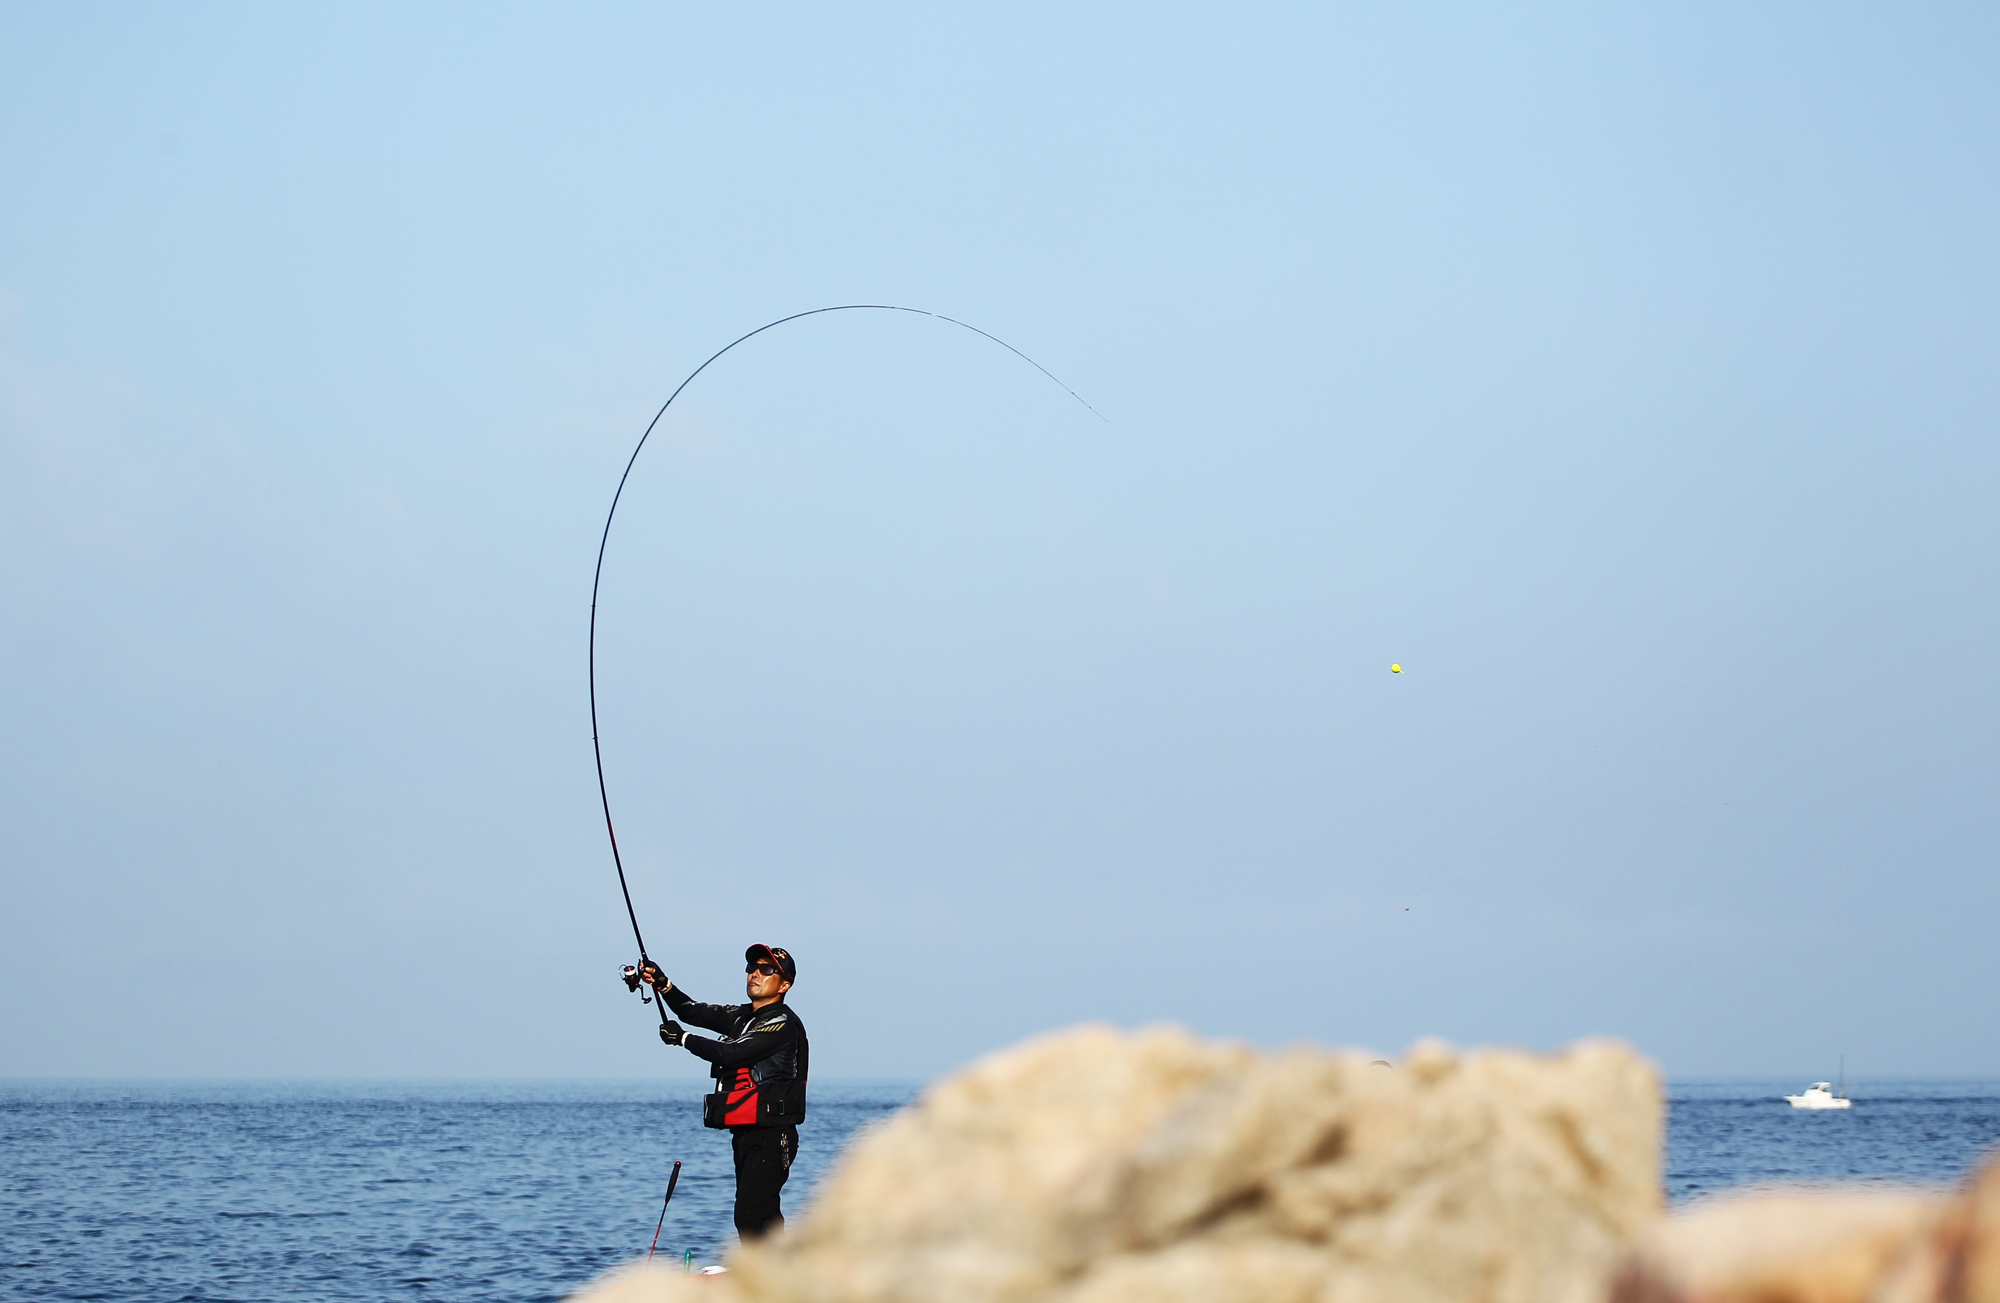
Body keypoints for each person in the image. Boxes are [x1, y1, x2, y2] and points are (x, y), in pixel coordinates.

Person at [637, 945, 808, 1239]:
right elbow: (691, 1010)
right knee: (758, 1213)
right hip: (745, 1132)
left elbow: (731, 1054)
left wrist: (684, 1039)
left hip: (772, 1134)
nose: (755, 973)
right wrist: (663, 983)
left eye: (767, 970)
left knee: (751, 1213)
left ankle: (768, 1277)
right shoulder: (740, 1016)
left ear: (784, 985)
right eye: (752, 967)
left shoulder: (782, 1024)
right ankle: (774, 1274)